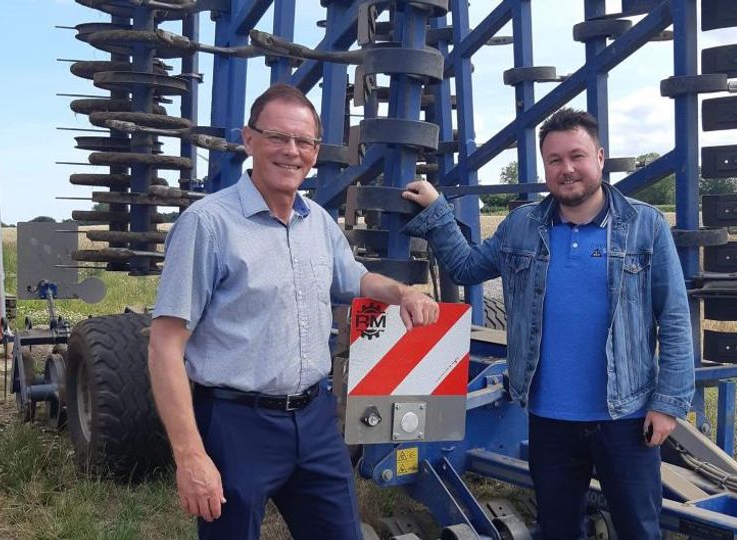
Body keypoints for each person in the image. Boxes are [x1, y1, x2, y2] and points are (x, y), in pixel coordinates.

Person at [148, 82, 439, 540]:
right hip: (235, 423)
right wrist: (190, 455)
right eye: (277, 137)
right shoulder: (208, 224)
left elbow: (355, 278)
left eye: (303, 142)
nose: (291, 152)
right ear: (249, 139)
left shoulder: (317, 221)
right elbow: (166, 343)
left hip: (314, 418)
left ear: (316, 150)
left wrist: (402, 293)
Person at [401, 108, 694, 539]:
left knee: (639, 529)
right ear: (545, 168)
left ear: (600, 157)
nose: (567, 169)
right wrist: (438, 211)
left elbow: (673, 318)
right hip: (549, 418)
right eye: (554, 160)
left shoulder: (644, 226)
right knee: (557, 529)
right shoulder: (522, 226)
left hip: (625, 415)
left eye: (577, 156)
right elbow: (465, 267)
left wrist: (668, 404)